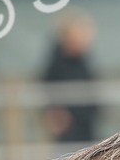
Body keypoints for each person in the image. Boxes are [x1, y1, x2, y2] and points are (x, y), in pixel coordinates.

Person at [41, 14, 100, 145]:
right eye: (81, 34)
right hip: (69, 128)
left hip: (85, 123)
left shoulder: (82, 60)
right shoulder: (57, 63)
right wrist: (54, 113)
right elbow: (47, 89)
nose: (86, 40)